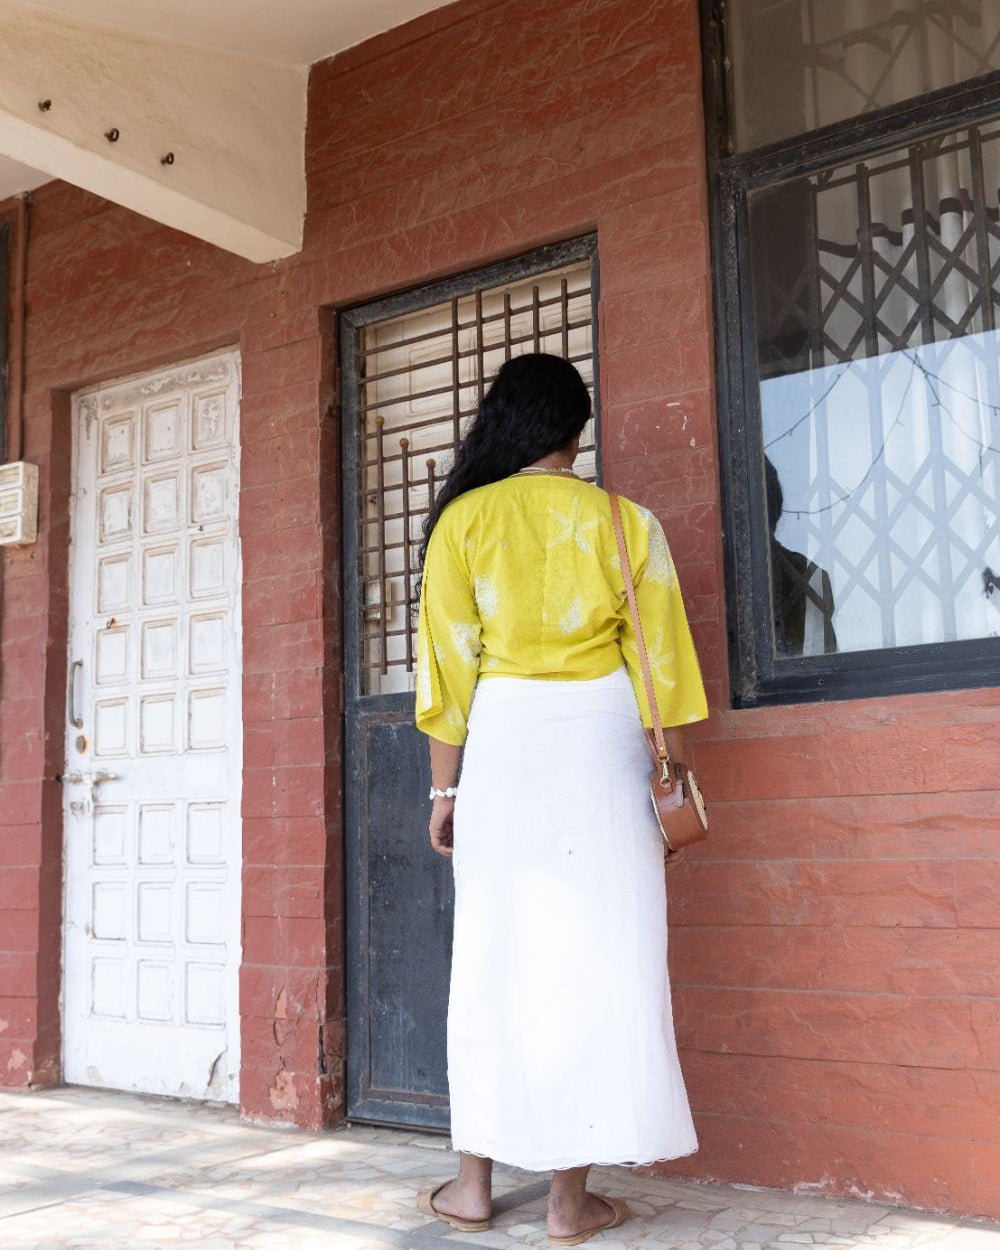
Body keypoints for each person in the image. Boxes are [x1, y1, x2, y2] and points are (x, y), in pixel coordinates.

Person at [413, 353, 708, 1245]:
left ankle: (472, 1188)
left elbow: (446, 677)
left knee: (492, 957)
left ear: (506, 424)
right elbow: (662, 671)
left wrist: (445, 789)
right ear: (576, 433)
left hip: (504, 745)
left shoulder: (463, 521)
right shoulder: (627, 522)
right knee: (597, 959)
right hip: (601, 747)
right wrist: (672, 785)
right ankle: (567, 1203)